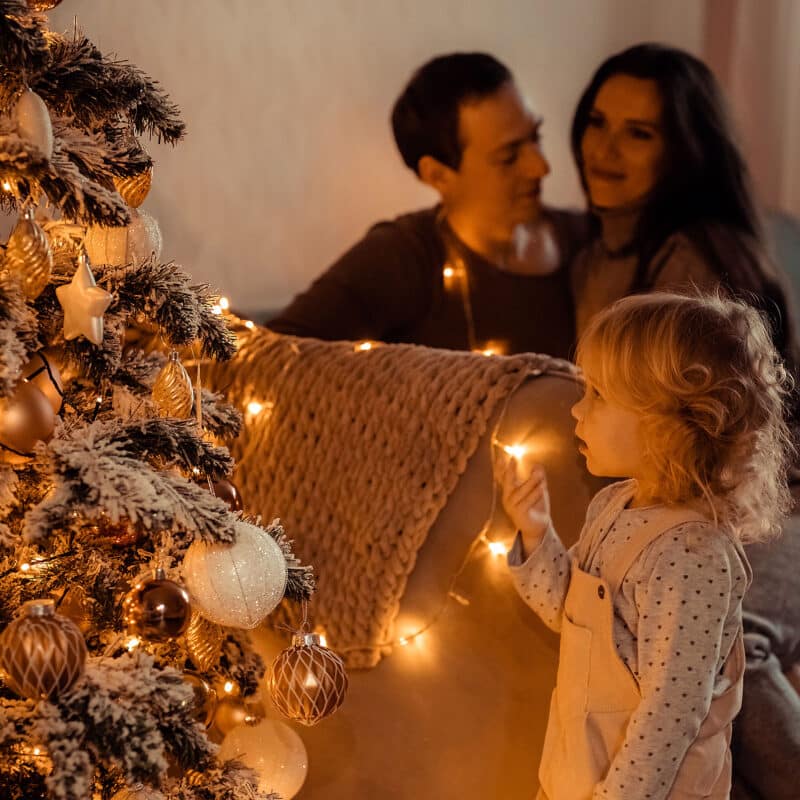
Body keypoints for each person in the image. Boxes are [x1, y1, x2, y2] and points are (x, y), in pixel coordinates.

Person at [497, 292, 794, 800]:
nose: (575, 410)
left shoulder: (693, 555)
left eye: (597, 396)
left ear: (666, 426)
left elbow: (672, 712)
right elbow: (569, 615)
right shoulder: (613, 506)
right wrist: (535, 533)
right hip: (578, 771)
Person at [267, 52, 588, 358]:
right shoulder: (404, 256)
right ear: (438, 175)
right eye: (509, 156)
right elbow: (271, 354)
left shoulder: (588, 241)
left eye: (536, 136)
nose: (540, 166)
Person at [569, 43, 799, 376]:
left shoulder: (692, 268)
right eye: (597, 122)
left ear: (684, 150)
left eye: (638, 134)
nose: (605, 150)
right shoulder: (592, 255)